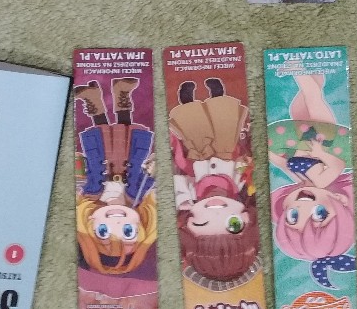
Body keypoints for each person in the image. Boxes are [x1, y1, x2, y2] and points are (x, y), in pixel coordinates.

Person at [268, 74, 356, 289]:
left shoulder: (301, 182)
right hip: (325, 139)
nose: (302, 206)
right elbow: (338, 165)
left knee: (297, 109)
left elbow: (284, 165)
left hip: (302, 139)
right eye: (319, 213)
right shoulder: (323, 181)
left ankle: (315, 75)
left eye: (294, 216)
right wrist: (320, 153)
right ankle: (299, 70)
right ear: (340, 200)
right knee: (313, 97)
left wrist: (270, 154)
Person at [169, 78, 261, 284]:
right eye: (234, 224)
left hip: (198, 158)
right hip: (227, 154)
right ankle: (217, 96)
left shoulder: (187, 200)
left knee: (194, 132)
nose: (216, 212)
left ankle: (188, 101)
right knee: (224, 127)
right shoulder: (242, 192)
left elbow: (180, 179)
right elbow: (245, 169)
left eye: (202, 223)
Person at [75, 79, 158, 275]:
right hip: (128, 160)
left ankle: (93, 99)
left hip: (102, 159)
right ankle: (122, 94)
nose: (117, 224)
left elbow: (83, 173)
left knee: (102, 133)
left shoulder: (89, 196)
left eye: (103, 232)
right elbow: (148, 178)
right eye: (128, 232)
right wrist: (154, 168)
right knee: (124, 134)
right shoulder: (137, 197)